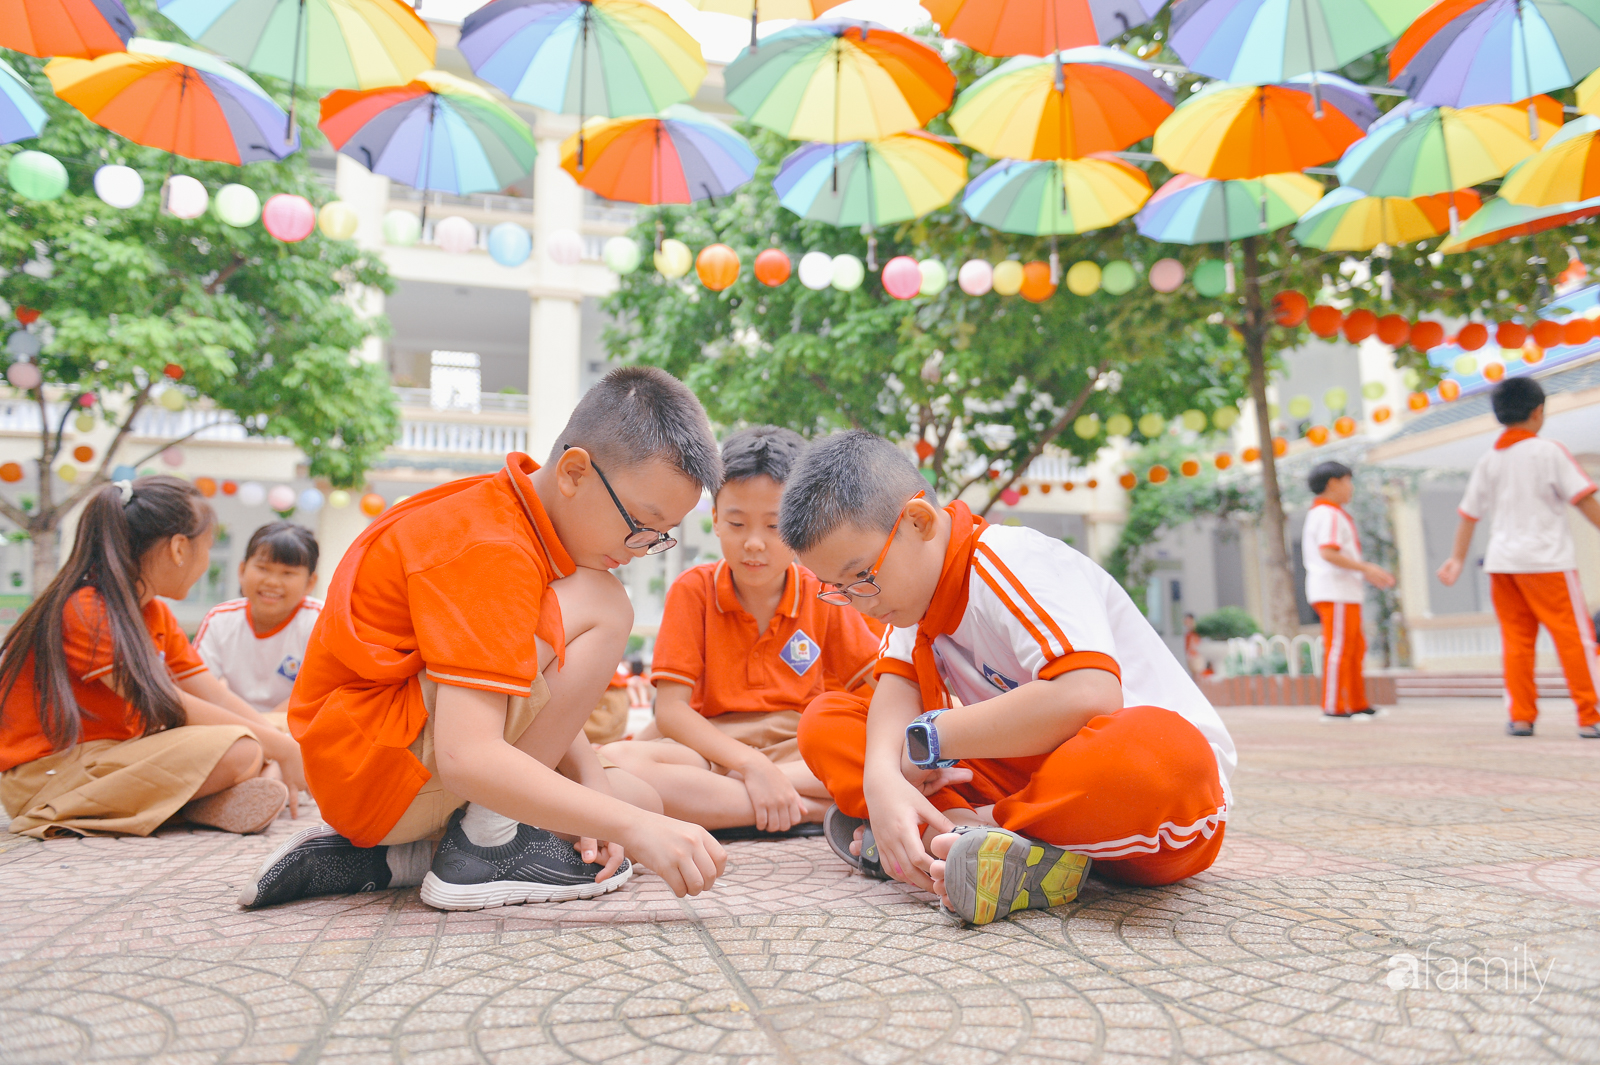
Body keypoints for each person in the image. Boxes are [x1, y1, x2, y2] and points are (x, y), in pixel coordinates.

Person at [238, 367, 729, 911]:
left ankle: (401, 859)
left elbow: (517, 681)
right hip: (381, 767)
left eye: (659, 537)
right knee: (605, 604)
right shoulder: (491, 547)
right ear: (573, 472)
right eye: (639, 522)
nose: (640, 547)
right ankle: (486, 845)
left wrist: (601, 787)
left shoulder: (513, 516)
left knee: (638, 797)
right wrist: (635, 828)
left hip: (376, 770)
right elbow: (467, 756)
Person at [783, 432, 1236, 926]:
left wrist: (927, 742)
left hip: (1140, 802)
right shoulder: (910, 602)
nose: (862, 603)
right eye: (841, 591)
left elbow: (1089, 695)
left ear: (919, 521)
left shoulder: (1011, 560)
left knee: (1165, 750)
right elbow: (898, 686)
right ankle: (981, 850)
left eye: (863, 577)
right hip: (1028, 788)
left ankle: (956, 833)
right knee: (827, 720)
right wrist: (881, 779)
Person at [602, 427, 881, 836]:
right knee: (618, 763)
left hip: (802, 750)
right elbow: (672, 711)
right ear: (714, 519)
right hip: (715, 750)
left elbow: (877, 685)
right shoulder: (692, 591)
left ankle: (740, 803)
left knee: (895, 760)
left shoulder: (824, 592)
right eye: (737, 523)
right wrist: (751, 766)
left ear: (801, 526)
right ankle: (804, 810)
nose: (754, 543)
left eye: (774, 526)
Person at [0, 477, 307, 838]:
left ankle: (207, 805)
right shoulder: (86, 608)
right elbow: (167, 703)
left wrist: (281, 743)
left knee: (262, 738)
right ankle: (202, 804)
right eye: (207, 548)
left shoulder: (155, 613)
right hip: (51, 773)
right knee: (243, 749)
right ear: (179, 548)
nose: (207, 561)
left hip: (115, 757)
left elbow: (214, 695)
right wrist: (279, 749)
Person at [1438, 376, 1600, 738]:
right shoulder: (1550, 451)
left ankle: (1521, 716)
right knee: (1575, 639)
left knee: (1516, 642)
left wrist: (1456, 559)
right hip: (1547, 563)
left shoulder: (1489, 461)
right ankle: (1591, 714)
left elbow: (1468, 514)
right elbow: (1584, 500)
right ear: (1538, 411)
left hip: (1502, 565)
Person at [194, 522, 322, 728]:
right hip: (234, 725)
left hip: (297, 727)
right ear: (242, 570)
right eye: (263, 568)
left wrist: (265, 729)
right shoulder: (220, 620)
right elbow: (197, 688)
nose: (272, 581)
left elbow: (319, 695)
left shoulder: (320, 622)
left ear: (310, 582)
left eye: (288, 573)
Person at [1301, 462, 1395, 718]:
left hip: (1342, 590)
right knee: (1341, 649)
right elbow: (1328, 552)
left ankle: (1356, 703)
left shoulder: (1330, 513)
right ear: (1333, 483)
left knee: (1353, 648)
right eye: (1348, 481)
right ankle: (1333, 706)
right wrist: (1366, 568)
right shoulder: (1328, 514)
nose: (1351, 488)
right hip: (1335, 589)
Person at [1182, 613, 1202, 678]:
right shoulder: (1188, 634)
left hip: (1195, 655)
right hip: (1190, 656)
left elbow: (1195, 645)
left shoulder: (1195, 633)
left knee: (1197, 673)